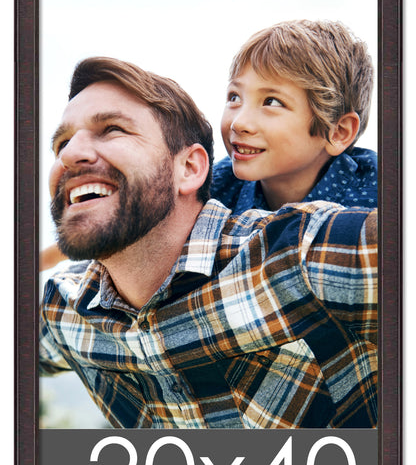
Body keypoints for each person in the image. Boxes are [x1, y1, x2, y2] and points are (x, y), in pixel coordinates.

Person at [40, 56, 377, 429]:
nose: (69, 154)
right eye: (63, 142)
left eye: (113, 129)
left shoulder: (298, 254)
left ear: (189, 169)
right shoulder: (64, 308)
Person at [211, 19, 377, 213]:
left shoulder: (382, 201)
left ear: (338, 132)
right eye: (235, 97)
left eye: (271, 101)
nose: (238, 123)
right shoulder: (210, 190)